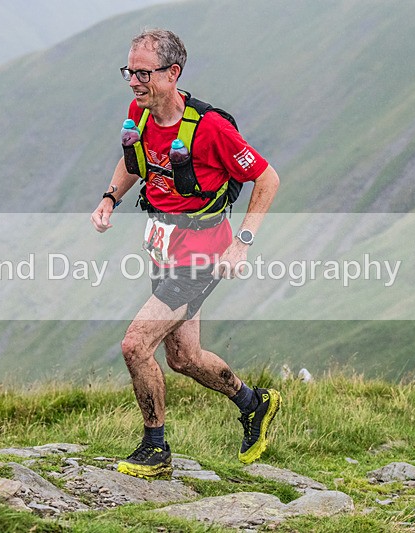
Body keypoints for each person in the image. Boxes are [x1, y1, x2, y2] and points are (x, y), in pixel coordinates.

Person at [90, 28, 281, 479]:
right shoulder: (139, 114)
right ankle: (255, 404)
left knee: (135, 345)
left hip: (202, 254)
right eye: (129, 72)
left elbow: (267, 178)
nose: (134, 82)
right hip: (163, 249)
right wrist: (109, 198)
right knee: (184, 358)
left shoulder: (210, 128)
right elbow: (132, 160)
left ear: (172, 73)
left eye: (143, 73)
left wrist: (243, 242)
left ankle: (155, 449)